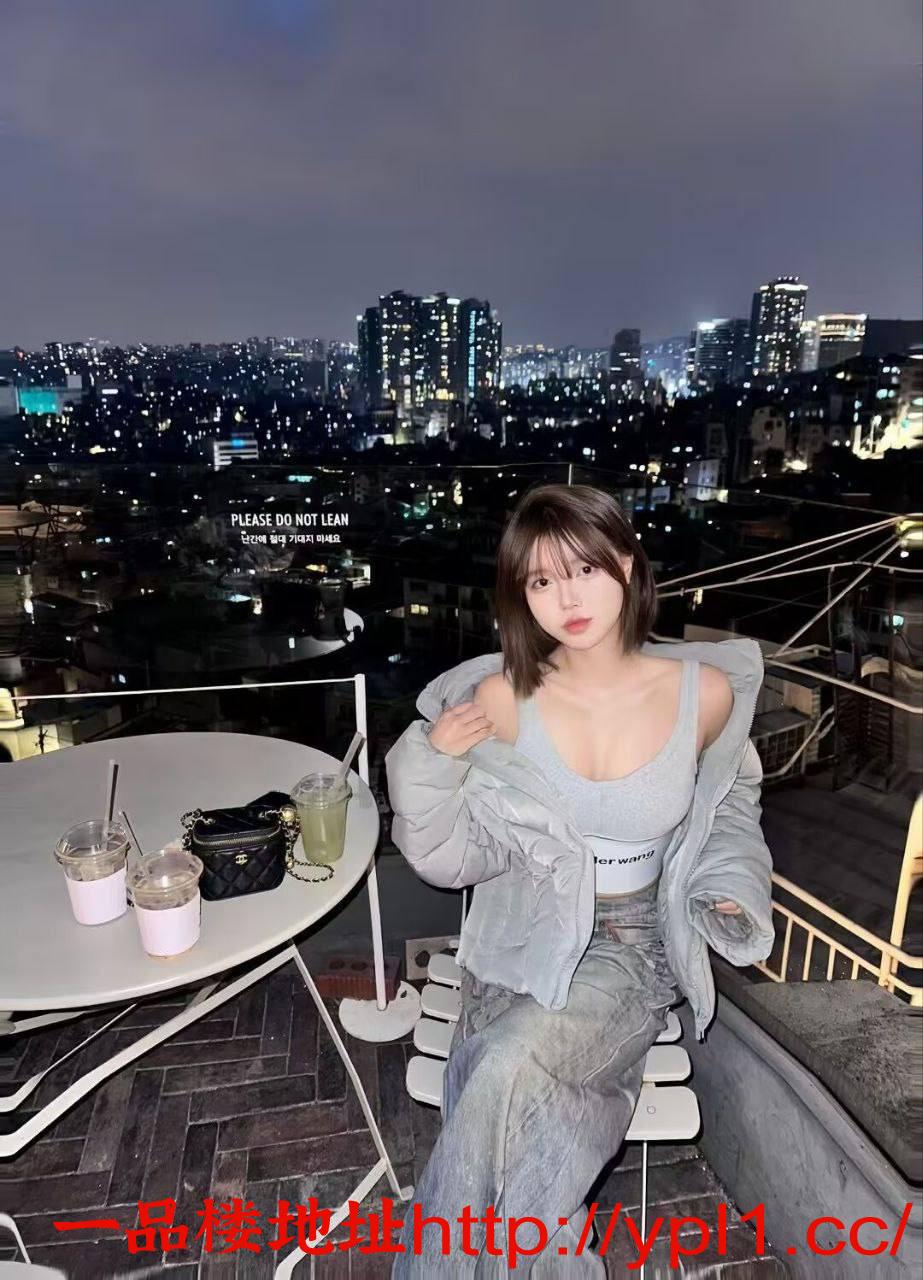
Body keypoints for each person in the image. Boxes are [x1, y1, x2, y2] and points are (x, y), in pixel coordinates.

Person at [385, 483, 775, 1277]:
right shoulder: (502, 700)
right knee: (514, 1089)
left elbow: (730, 802)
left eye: (584, 570)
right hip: (523, 930)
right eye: (539, 580)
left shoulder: (702, 695)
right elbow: (452, 857)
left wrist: (727, 885)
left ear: (625, 565)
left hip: (631, 943)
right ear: (518, 595)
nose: (565, 599)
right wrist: (429, 767)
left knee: (503, 1066)